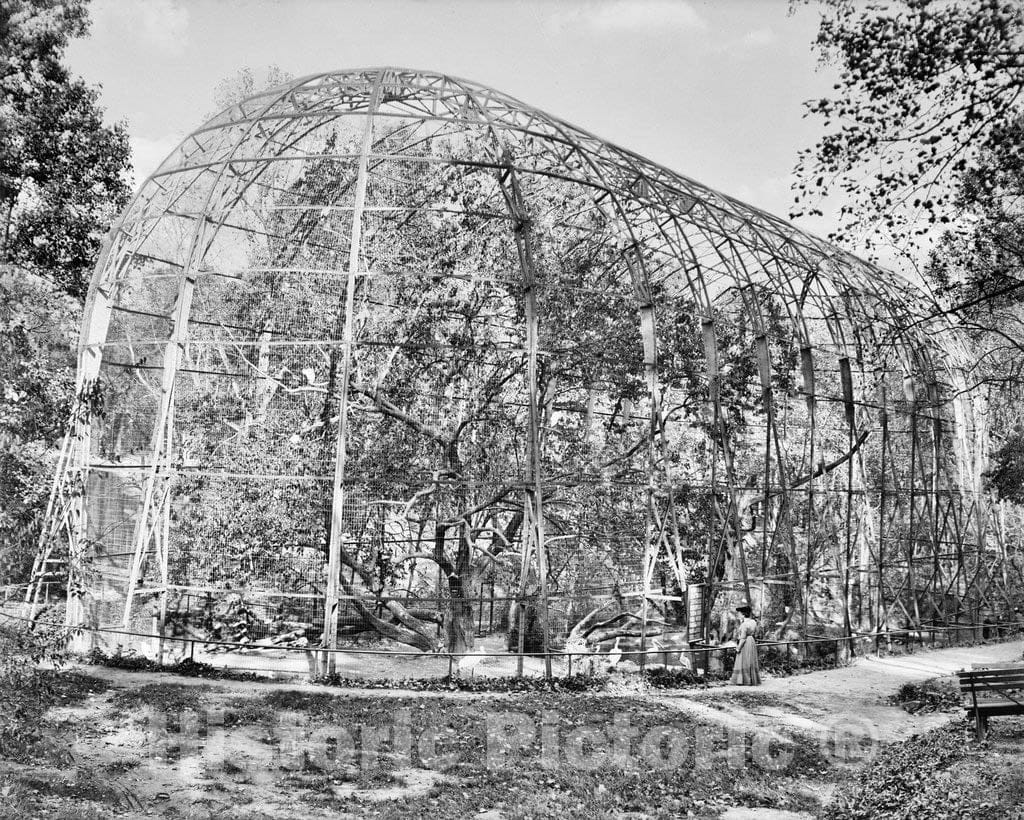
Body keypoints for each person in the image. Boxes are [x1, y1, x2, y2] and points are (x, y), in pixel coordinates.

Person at [730, 603, 761, 685]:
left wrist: (738, 648)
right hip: (751, 640)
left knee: (743, 659)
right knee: (750, 659)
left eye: (739, 614)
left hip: (745, 642)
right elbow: (755, 632)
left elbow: (743, 638)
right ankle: (751, 678)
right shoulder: (753, 622)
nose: (738, 615)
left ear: (743, 614)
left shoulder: (744, 624)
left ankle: (744, 680)